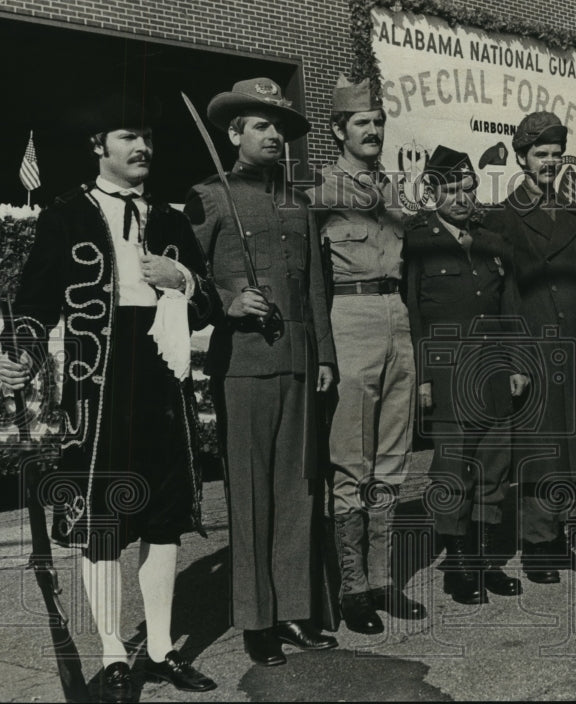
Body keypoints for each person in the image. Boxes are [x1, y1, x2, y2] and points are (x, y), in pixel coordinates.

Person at [0, 92, 216, 702]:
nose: (141, 146)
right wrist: (17, 358)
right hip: (96, 387)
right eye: (127, 136)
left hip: (162, 381)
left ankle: (162, 648)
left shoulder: (172, 220)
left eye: (145, 135)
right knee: (102, 521)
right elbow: (36, 303)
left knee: (164, 518)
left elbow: (209, 305)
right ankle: (114, 653)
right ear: (99, 146)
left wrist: (185, 280)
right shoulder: (66, 214)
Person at [185, 77, 337, 666]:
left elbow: (316, 288)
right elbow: (179, 276)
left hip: (299, 363)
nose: (274, 136)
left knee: (298, 489)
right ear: (234, 133)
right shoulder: (209, 198)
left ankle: (296, 612)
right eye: (261, 125)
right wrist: (226, 299)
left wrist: (324, 354)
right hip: (244, 366)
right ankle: (256, 619)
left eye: (280, 128)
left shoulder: (297, 203)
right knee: (250, 495)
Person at [306, 76, 424, 633]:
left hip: (396, 320)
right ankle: (352, 588)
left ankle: (383, 581)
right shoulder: (319, 190)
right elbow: (308, 276)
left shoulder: (395, 191)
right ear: (338, 130)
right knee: (351, 459)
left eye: (378, 122)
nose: (374, 131)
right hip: (348, 320)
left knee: (392, 459)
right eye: (362, 123)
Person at [483, 111, 576, 583]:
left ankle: (568, 535)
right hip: (537, 338)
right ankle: (539, 545)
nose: (550, 163)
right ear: (521, 158)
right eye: (541, 154)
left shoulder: (575, 213)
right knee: (542, 445)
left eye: (557, 156)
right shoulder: (503, 215)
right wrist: (515, 354)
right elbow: (501, 293)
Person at [405, 145, 526, 604]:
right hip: (448, 375)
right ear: (433, 192)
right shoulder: (418, 241)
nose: (459, 197)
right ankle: (456, 566)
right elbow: (414, 314)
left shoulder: (491, 240)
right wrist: (422, 378)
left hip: (493, 373)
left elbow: (509, 306)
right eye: (449, 188)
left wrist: (517, 365)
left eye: (466, 187)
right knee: (453, 472)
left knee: (493, 469)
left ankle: (485, 561)